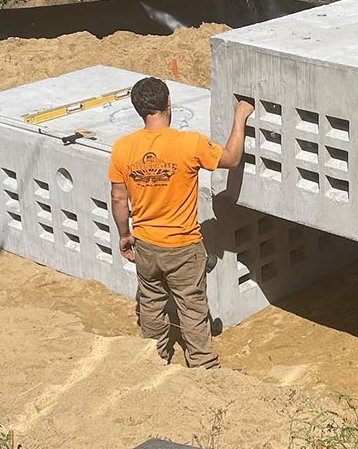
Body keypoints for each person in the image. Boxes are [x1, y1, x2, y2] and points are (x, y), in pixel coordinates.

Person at [108, 77, 253, 368]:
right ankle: (202, 365)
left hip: (146, 245)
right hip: (183, 247)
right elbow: (232, 158)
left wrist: (125, 234)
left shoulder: (123, 148)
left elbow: (119, 199)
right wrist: (240, 116)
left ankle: (152, 360)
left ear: (138, 110)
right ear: (169, 105)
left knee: (150, 305)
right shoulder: (191, 144)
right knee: (192, 308)